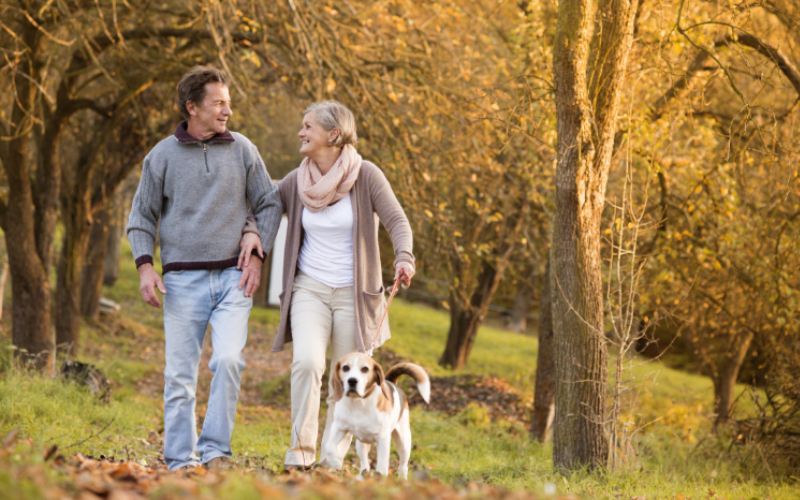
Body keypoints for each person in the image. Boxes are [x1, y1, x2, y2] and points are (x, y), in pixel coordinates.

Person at [126, 66, 282, 471]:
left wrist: (258, 248)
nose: (227, 110)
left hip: (234, 277)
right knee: (179, 376)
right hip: (181, 282)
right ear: (192, 107)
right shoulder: (161, 156)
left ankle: (215, 452)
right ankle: (180, 460)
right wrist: (145, 268)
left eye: (228, 103)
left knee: (229, 361)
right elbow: (141, 217)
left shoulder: (244, 149)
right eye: (219, 103)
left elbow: (269, 202)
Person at [245, 100, 415, 469]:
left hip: (355, 295)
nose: (301, 133)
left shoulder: (366, 175)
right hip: (310, 288)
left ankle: (331, 458)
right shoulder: (297, 180)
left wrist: (404, 256)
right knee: (307, 363)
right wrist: (252, 235)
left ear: (333, 134)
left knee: (345, 379)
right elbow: (266, 207)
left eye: (308, 127)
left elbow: (397, 220)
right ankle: (301, 452)